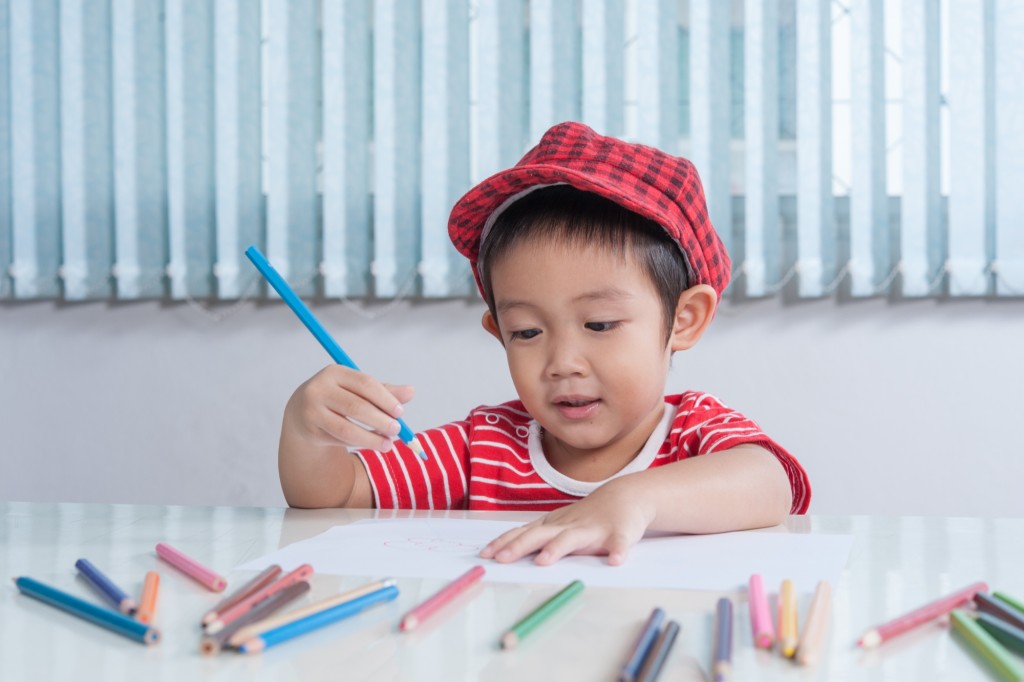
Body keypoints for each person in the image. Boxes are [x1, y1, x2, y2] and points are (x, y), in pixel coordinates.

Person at [278, 121, 810, 566]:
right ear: (499, 334)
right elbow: (335, 495)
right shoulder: (483, 449)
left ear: (684, 320)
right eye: (528, 332)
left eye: (600, 325)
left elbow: (771, 484)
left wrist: (633, 498)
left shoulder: (694, 434)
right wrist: (307, 432)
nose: (562, 363)